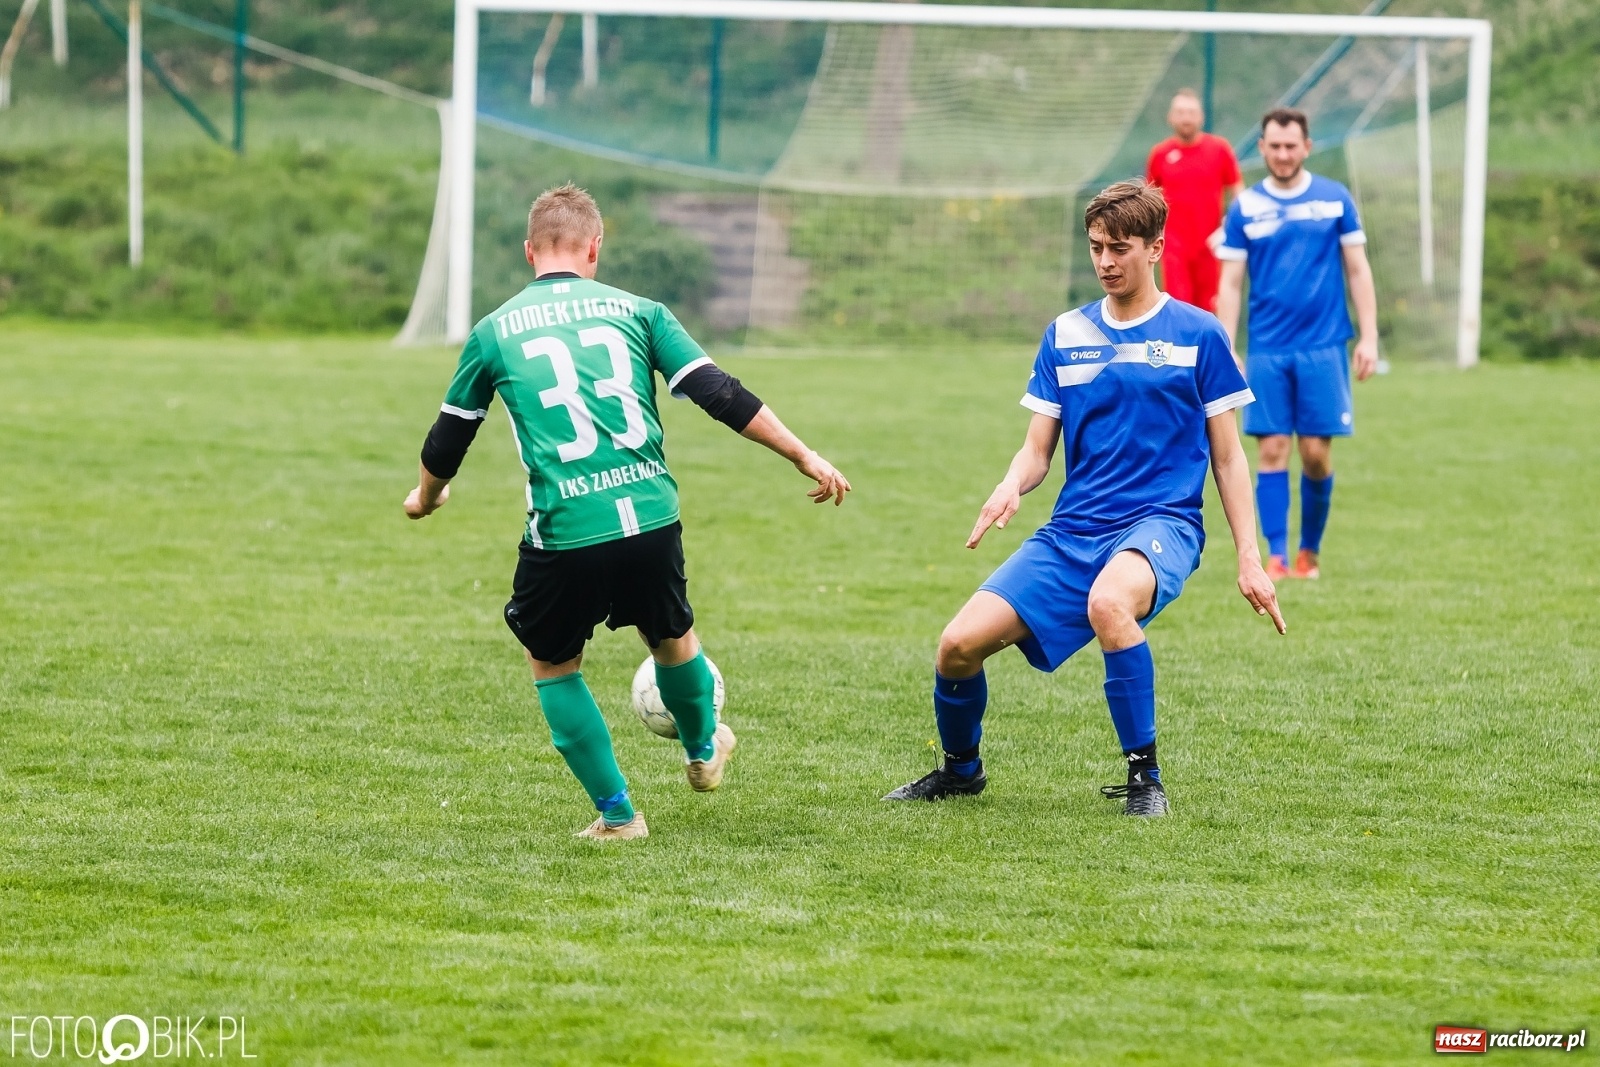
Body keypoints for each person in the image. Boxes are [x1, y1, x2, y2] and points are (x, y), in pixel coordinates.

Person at [404, 183, 851, 841]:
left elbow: (450, 435)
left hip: (565, 530)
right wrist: (802, 454)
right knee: (672, 637)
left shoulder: (494, 330)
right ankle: (703, 750)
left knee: (553, 664)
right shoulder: (640, 311)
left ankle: (618, 814)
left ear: (531, 251)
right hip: (650, 517)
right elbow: (719, 393)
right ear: (594, 247)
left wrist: (426, 495)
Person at [884, 179, 1285, 817]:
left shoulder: (1199, 335)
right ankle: (962, 772)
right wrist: (1010, 484)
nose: (1105, 262)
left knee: (1109, 603)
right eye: (1096, 247)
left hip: (1163, 524)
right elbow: (1038, 450)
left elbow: (1230, 457)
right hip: (1074, 530)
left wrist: (1249, 556)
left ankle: (1145, 778)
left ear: (1154, 249)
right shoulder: (1065, 334)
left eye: (1119, 248)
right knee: (956, 646)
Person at [1215, 107, 1379, 581]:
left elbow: (1357, 269)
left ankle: (1310, 551)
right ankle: (1278, 556)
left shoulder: (1334, 199)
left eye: (1291, 146)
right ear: (1262, 148)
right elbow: (1230, 283)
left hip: (1324, 345)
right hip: (1268, 348)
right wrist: (1228, 346)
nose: (1283, 154)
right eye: (1274, 146)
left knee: (1314, 452)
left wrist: (1368, 337)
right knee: (1271, 450)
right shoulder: (1245, 207)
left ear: (1306, 147)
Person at [1145, 89, 1244, 312]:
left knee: (1209, 309)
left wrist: (1231, 226)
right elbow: (1148, 200)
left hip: (1211, 246)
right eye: (1180, 112)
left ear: (1201, 117)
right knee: (1179, 308)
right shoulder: (1160, 154)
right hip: (1174, 247)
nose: (1186, 118)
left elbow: (1238, 192)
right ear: (1170, 117)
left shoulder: (1219, 149)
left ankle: (1209, 348)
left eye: (1191, 112)